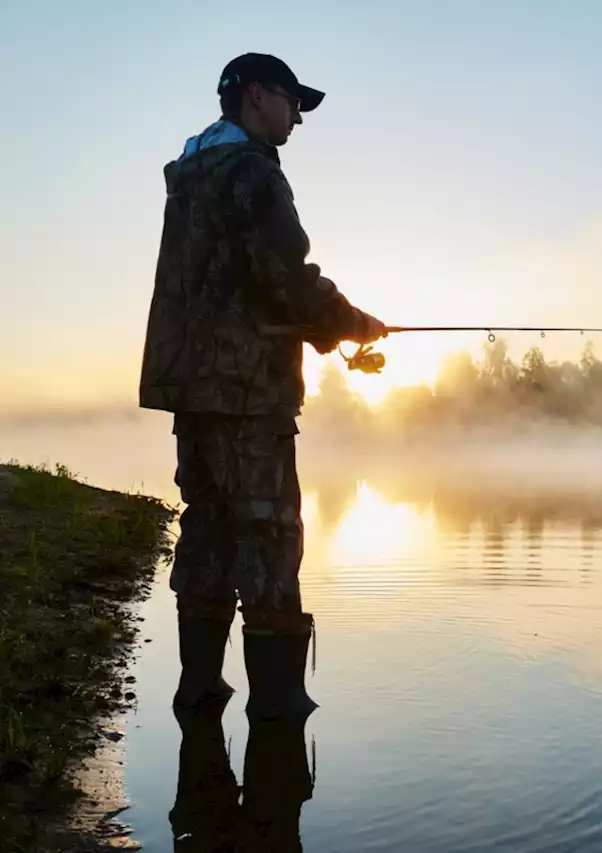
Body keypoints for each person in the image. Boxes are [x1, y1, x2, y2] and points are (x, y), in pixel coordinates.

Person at [139, 53, 385, 720]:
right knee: (271, 532)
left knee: (209, 527)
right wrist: (353, 323)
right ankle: (278, 709)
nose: (299, 116)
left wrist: (327, 331)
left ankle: (200, 688)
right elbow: (285, 277)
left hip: (193, 384)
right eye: (291, 100)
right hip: (247, 389)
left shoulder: (192, 176)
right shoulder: (251, 171)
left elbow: (239, 284)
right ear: (255, 96)